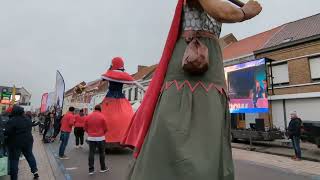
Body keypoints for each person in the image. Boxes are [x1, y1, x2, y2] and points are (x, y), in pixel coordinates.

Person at [122, 0, 262, 179]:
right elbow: (222, 12)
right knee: (179, 132)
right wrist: (245, 12)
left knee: (208, 133)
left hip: (211, 69)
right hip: (189, 66)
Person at [100, 57, 139, 145]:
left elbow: (102, 78)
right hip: (120, 97)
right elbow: (136, 83)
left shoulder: (109, 73)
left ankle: (107, 137)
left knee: (106, 116)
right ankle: (124, 137)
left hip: (110, 97)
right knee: (127, 115)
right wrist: (146, 90)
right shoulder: (123, 75)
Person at [4, 105, 39, 180]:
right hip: (28, 142)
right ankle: (35, 172)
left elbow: (7, 132)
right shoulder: (27, 119)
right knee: (30, 156)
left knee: (14, 160)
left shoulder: (12, 120)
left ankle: (14, 177)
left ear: (14, 112)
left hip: (15, 143)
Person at [84, 105, 109, 175]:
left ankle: (91, 169)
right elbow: (106, 128)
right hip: (100, 137)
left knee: (91, 153)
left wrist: (89, 132)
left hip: (91, 137)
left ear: (94, 109)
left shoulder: (88, 116)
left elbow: (85, 127)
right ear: (100, 109)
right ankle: (103, 168)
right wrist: (102, 133)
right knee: (102, 153)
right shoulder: (102, 116)